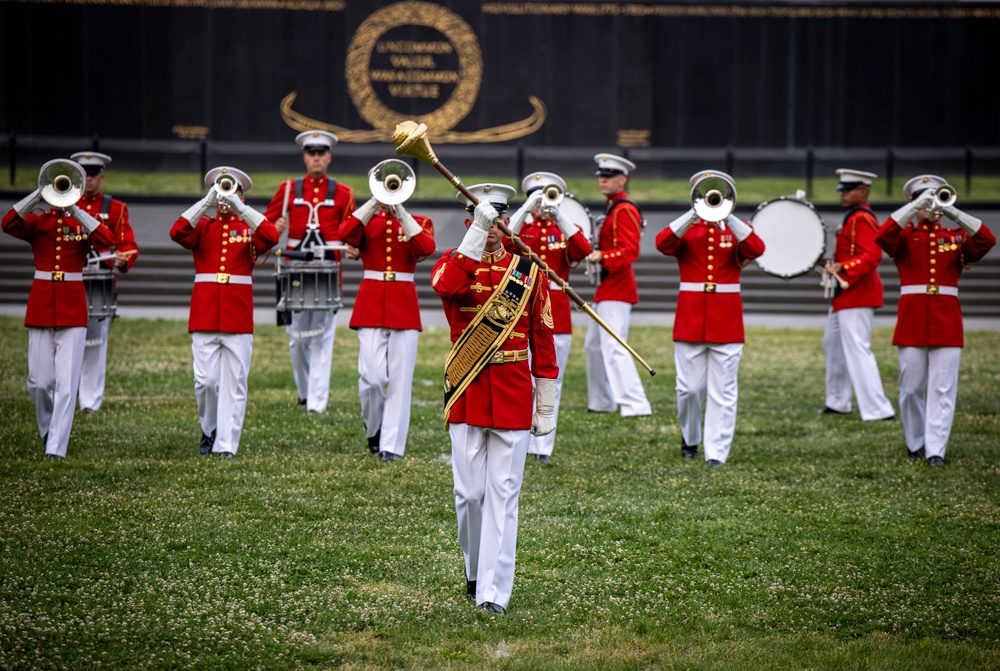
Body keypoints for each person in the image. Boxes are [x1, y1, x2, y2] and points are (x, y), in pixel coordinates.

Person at [430, 183, 559, 615]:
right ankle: (473, 568)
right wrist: (474, 236)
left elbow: (544, 339)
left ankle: (492, 593)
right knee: (468, 494)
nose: (488, 230)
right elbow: (447, 289)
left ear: (505, 225)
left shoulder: (529, 271)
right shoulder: (453, 262)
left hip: (512, 392)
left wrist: (545, 403)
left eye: (495, 222)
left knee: (503, 494)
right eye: (481, 221)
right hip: (467, 388)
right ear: (470, 222)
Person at [876, 175, 996, 466]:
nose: (929, 208)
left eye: (933, 200)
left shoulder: (955, 237)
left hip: (946, 319)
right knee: (911, 387)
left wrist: (951, 209)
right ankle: (915, 442)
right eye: (922, 202)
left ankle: (936, 450)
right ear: (914, 205)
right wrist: (916, 205)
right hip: (912, 319)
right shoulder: (905, 237)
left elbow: (987, 239)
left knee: (942, 388)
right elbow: (883, 235)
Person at [2, 159, 115, 458]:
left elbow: (107, 240)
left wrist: (77, 207)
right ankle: (47, 429)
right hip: (41, 303)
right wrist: (38, 195)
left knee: (67, 383)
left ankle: (56, 447)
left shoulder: (82, 222)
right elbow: (8, 223)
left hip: (72, 305)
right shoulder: (39, 221)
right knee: (38, 382)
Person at [170, 167, 283, 458]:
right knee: (204, 381)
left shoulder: (248, 227)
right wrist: (206, 202)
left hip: (237, 314)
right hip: (206, 312)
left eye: (231, 190)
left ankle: (226, 445)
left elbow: (270, 235)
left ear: (242, 194)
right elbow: (177, 231)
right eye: (220, 190)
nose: (225, 196)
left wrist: (241, 209)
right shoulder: (204, 226)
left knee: (234, 382)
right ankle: (209, 429)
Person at [655, 171, 766, 466]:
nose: (710, 197)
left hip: (726, 320)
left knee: (723, 391)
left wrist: (728, 216)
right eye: (704, 192)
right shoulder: (687, 228)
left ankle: (716, 452)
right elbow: (662, 243)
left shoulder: (737, 228)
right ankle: (690, 437)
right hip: (690, 318)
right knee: (688, 389)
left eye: (716, 193)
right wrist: (692, 214)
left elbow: (757, 249)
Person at [338, 170, 436, 462]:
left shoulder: (419, 222)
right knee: (371, 376)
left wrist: (399, 208)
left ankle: (391, 445)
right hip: (370, 302)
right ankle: (374, 428)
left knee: (399, 381)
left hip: (403, 305)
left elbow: (426, 248)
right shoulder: (368, 220)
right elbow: (345, 233)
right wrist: (374, 201)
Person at [264, 130, 355, 414]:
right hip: (296, 270)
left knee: (323, 338)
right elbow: (267, 225)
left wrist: (352, 246)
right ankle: (304, 393)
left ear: (328, 158)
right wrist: (273, 230)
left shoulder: (343, 192)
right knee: (297, 337)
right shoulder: (289, 188)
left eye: (321, 154)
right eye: (311, 154)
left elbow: (351, 229)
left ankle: (317, 403)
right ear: (305, 157)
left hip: (328, 271)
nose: (316, 159)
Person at [506, 171, 592, 464]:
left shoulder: (564, 228)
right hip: (520, 308)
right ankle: (520, 438)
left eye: (546, 194)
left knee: (550, 381)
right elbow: (505, 244)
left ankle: (543, 446)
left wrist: (560, 216)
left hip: (556, 314)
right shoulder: (521, 228)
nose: (542, 201)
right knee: (521, 379)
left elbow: (583, 249)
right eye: (536, 195)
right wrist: (524, 209)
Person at [819, 169, 895, 421]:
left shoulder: (862, 218)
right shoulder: (852, 217)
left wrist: (845, 267)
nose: (841, 194)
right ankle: (837, 401)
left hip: (858, 292)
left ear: (863, 191)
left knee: (857, 349)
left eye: (847, 190)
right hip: (846, 294)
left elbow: (872, 256)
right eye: (841, 190)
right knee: (834, 345)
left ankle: (878, 408)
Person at [70, 151, 139, 414]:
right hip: (69, 280)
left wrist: (122, 260)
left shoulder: (115, 208)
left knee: (94, 345)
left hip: (98, 284)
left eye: (92, 176)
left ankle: (88, 402)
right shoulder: (62, 203)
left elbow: (128, 246)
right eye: (83, 175)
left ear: (102, 177)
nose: (88, 180)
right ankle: (60, 393)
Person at [584, 154, 651, 417]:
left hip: (619, 288)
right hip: (606, 287)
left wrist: (603, 256)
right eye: (601, 176)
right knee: (594, 346)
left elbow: (630, 251)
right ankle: (601, 401)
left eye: (609, 176)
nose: (603, 181)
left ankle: (635, 404)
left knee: (614, 347)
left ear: (622, 180)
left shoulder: (625, 209)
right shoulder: (612, 207)